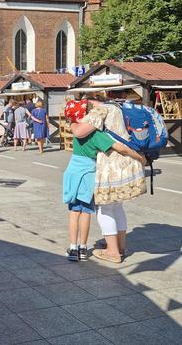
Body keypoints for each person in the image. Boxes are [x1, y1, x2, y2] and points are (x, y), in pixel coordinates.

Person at [62, 99, 146, 262]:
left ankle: (74, 247)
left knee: (77, 211)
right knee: (90, 211)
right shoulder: (100, 132)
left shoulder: (77, 130)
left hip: (73, 174)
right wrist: (140, 158)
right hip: (89, 175)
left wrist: (72, 119)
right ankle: (84, 248)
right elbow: (120, 148)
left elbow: (75, 127)